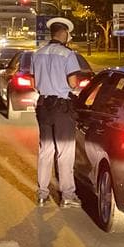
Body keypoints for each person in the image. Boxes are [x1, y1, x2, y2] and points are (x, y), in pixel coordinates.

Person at [31, 17, 83, 208]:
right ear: (65, 34)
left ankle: (42, 194)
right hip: (62, 108)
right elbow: (73, 83)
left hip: (43, 107)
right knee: (65, 152)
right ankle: (68, 195)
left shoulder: (37, 54)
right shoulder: (68, 54)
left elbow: (34, 84)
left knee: (45, 150)